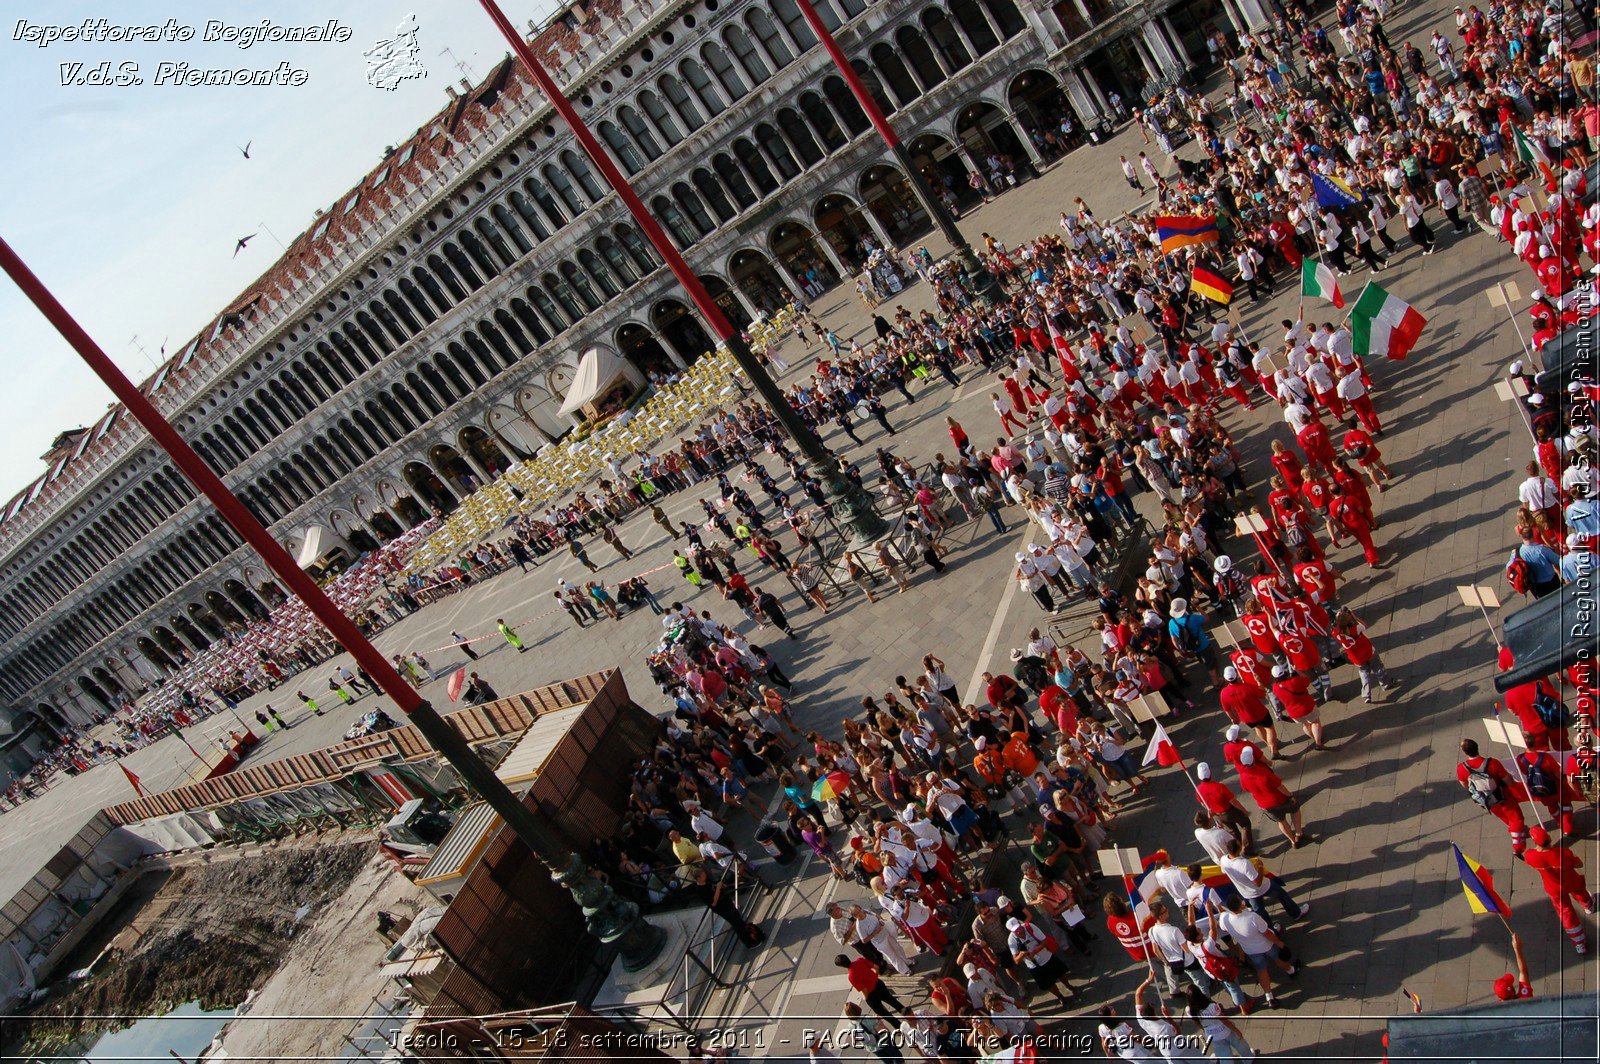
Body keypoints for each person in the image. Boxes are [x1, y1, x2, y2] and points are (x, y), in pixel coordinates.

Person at [1522, 826, 1595, 954]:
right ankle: (1588, 906)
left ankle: (1579, 943)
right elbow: (1579, 864)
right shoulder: (1563, 853)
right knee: (1581, 893)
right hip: (1571, 880)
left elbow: (1530, 857)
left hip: (1554, 889)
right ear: (1549, 839)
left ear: (1534, 842)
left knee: (1566, 912)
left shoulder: (1530, 856)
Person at [1456, 738, 1528, 857]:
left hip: (1487, 800)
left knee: (1505, 817)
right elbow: (1508, 780)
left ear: (1465, 753)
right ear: (1477, 748)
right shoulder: (1492, 763)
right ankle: (1518, 846)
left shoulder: (1461, 768)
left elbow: (1464, 784)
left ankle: (1516, 830)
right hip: (1503, 796)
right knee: (1516, 818)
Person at [1220, 837, 1304, 927]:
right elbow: (1258, 883)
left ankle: (1270, 930)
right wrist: (1260, 867)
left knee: (1260, 913)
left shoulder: (1223, 860)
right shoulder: (1244, 864)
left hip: (1247, 893)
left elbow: (1223, 872)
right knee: (1282, 895)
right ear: (1238, 849)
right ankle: (1296, 914)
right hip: (1263, 887)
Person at [1235, 747, 1308, 847]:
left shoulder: (1242, 777)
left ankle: (1292, 841)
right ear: (1253, 760)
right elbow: (1280, 786)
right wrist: (1290, 795)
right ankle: (1299, 833)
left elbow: (1246, 789)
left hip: (1265, 805)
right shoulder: (1264, 772)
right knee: (1295, 809)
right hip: (1279, 799)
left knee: (1281, 821)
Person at [695, 865, 765, 945]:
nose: (705, 875)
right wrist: (718, 889)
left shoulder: (707, 881)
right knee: (736, 924)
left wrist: (720, 886)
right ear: (698, 878)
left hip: (726, 902)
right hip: (722, 909)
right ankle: (749, 942)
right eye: (703, 875)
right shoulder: (700, 891)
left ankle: (752, 935)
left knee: (739, 919)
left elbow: (714, 888)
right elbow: (713, 903)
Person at [1184, 985, 1254, 1060]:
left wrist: (1205, 1031)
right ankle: (1248, 1059)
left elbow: (1197, 1023)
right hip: (1225, 1030)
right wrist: (1236, 1031)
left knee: (1224, 1055)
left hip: (1212, 1035)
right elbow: (1224, 1020)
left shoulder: (1189, 1010)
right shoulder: (1211, 1006)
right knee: (1240, 1045)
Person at [836, 953, 905, 1021]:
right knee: (893, 1002)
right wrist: (875, 977)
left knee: (884, 1014)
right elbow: (876, 968)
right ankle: (908, 1015)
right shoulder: (860, 960)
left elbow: (865, 990)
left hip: (872, 995)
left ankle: (898, 1026)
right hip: (879, 984)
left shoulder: (851, 977)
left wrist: (865, 998)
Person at [1492, 932, 1536, 1001]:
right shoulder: (1525, 997)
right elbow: (1523, 972)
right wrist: (1517, 950)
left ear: (1500, 998)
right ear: (1512, 991)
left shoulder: (1497, 1010)